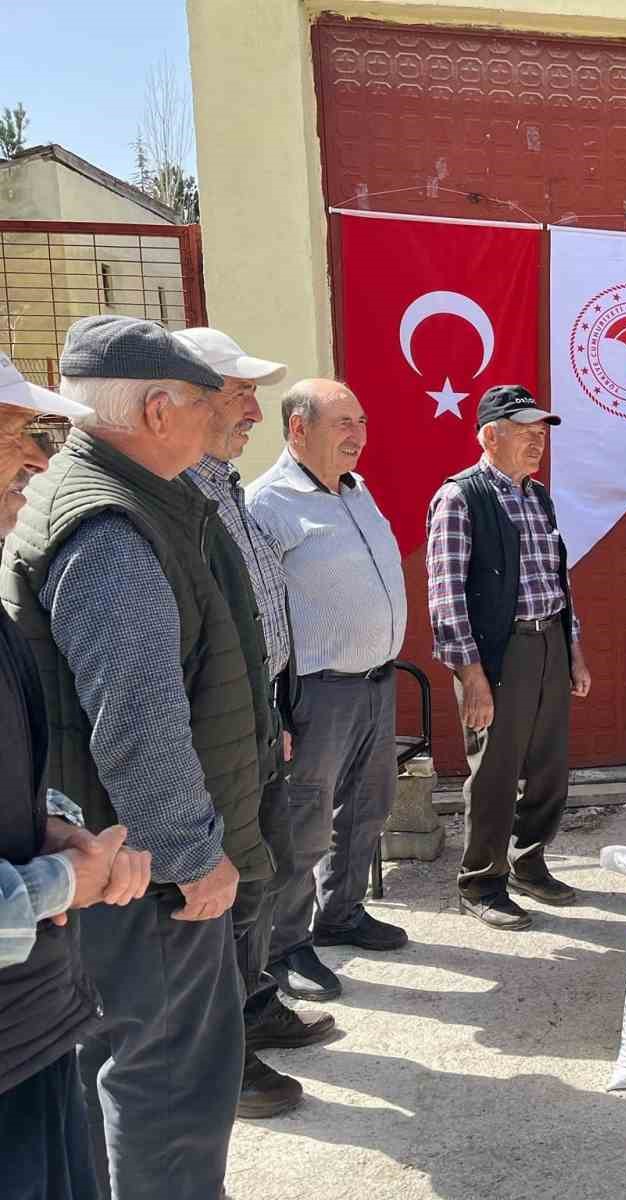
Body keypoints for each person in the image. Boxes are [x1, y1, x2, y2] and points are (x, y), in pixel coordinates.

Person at [1, 315, 271, 1200]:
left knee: (111, 1073)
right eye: (205, 400)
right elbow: (136, 719)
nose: (222, 415)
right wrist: (193, 857)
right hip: (145, 874)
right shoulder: (112, 527)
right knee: (170, 1086)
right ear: (159, 411)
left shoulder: (124, 500)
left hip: (112, 858)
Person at [0, 351, 153, 1200]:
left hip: (30, 1027)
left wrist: (54, 824)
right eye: (12, 435)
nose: (34, 459)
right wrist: (63, 879)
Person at [175, 327, 335, 1119]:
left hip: (257, 716)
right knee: (226, 889)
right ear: (185, 400)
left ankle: (255, 1002)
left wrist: (274, 709)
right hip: (215, 734)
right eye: (239, 394)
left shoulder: (225, 485)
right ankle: (224, 1056)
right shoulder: (176, 496)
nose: (252, 412)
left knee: (262, 870)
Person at [248, 379, 409, 1001]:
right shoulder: (269, 503)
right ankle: (286, 947)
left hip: (375, 682)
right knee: (302, 823)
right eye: (343, 422)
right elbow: (258, 614)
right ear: (298, 429)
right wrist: (274, 707)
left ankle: (341, 913)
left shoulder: (355, 490)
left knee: (368, 807)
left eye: (361, 421)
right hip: (315, 692)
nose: (358, 435)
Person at [425, 385, 592, 930]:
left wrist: (573, 650)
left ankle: (528, 863)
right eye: (524, 432)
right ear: (489, 436)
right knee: (494, 772)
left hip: (548, 644)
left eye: (541, 433)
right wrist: (470, 676)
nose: (537, 442)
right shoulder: (460, 498)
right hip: (498, 654)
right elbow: (446, 595)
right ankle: (481, 882)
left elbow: (559, 580)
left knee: (548, 767)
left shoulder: (538, 496)